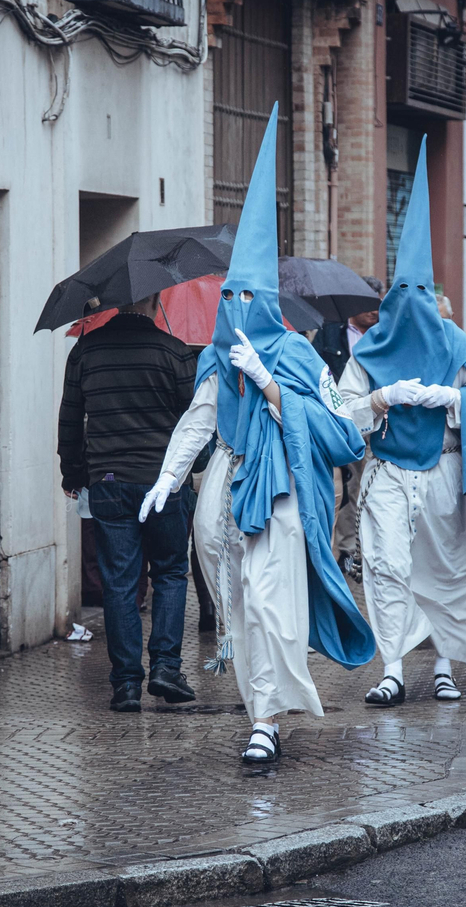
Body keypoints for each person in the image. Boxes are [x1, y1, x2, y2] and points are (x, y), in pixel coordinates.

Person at [139, 104, 374, 764]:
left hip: (281, 496)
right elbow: (200, 419)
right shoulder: (217, 355)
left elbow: (341, 436)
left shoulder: (298, 355)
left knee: (270, 604)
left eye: (249, 298)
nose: (237, 311)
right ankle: (258, 709)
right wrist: (166, 476)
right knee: (238, 609)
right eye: (230, 299)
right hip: (225, 484)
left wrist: (271, 389)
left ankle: (268, 718)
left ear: (266, 300)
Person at [336, 144, 466, 707]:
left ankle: (445, 665)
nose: (410, 304)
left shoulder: (456, 345)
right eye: (399, 293)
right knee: (386, 567)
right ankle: (394, 667)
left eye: (418, 293)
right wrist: (381, 397)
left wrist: (452, 398)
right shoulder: (368, 352)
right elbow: (342, 414)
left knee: (445, 572)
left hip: (447, 472)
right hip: (385, 475)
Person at [57, 293, 199, 713]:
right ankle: (166, 669)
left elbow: (69, 418)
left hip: (109, 483)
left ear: (116, 305)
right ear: (155, 302)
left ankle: (126, 686)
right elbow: (195, 418)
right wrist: (195, 467)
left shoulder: (85, 351)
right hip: (164, 484)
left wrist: (74, 474)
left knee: (120, 583)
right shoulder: (174, 352)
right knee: (171, 572)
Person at [314, 284, 382, 578]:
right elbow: (317, 372)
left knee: (368, 490)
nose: (374, 311)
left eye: (378, 304)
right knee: (347, 489)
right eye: (368, 304)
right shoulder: (330, 334)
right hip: (340, 424)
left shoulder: (383, 337)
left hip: (377, 422)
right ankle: (345, 550)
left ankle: (363, 547)